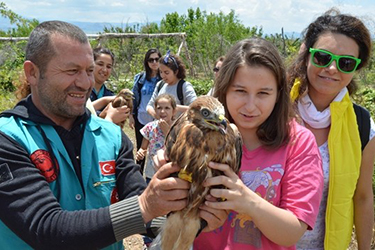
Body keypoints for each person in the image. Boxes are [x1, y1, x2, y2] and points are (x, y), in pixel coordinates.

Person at [0, 20, 194, 250]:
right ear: (32, 72)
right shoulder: (9, 139)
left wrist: (191, 216)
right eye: (72, 71)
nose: (84, 83)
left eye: (89, 71)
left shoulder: (111, 136)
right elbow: (46, 228)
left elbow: (139, 199)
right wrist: (146, 205)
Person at [189, 38, 324, 249]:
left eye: (263, 93)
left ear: (278, 95)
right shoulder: (198, 134)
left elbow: (292, 233)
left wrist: (248, 202)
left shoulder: (299, 142)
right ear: (224, 89)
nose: (250, 106)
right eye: (240, 91)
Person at [287, 9, 375, 250]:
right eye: (323, 58)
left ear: (357, 68)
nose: (333, 69)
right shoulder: (274, 109)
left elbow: (363, 196)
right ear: (307, 56)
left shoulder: (362, 125)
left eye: (346, 63)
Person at [130, 48, 162, 173]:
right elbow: (134, 97)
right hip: (141, 118)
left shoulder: (163, 79)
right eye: (151, 60)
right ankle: (138, 176)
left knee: (156, 150)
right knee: (141, 150)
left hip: (157, 119)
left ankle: (155, 177)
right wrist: (131, 115)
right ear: (146, 62)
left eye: (157, 59)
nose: (154, 62)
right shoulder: (140, 79)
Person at [136, 94, 177, 184]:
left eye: (167, 108)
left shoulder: (178, 128)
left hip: (171, 173)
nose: (162, 111)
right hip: (152, 173)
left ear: (174, 111)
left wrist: (167, 132)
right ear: (155, 110)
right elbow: (143, 147)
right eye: (159, 108)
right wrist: (141, 152)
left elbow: (179, 148)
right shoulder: (150, 127)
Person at [146, 51, 197, 119]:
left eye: (166, 72)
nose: (163, 76)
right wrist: (157, 116)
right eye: (161, 72)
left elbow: (196, 109)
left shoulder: (184, 86)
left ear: (176, 72)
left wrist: (176, 108)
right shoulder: (160, 85)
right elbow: (149, 106)